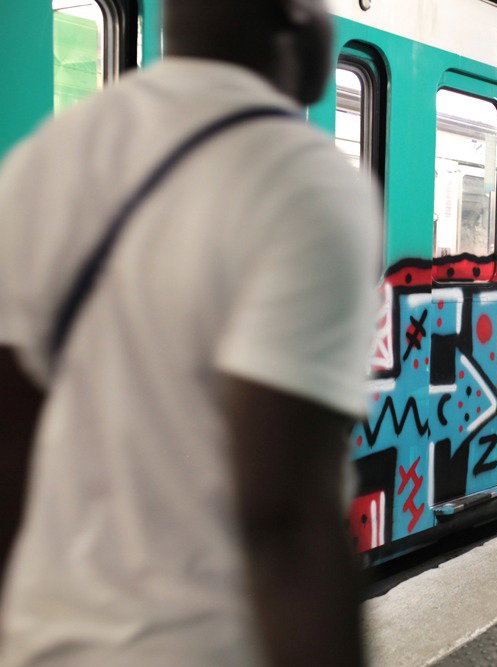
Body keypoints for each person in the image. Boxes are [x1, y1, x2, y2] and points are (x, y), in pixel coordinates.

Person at [0, 0, 380, 664]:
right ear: (291, 14)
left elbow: (9, 440)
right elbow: (286, 522)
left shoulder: (45, 159)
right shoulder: (304, 180)